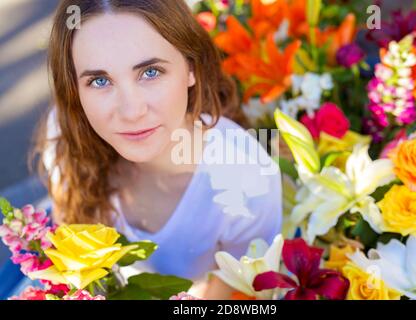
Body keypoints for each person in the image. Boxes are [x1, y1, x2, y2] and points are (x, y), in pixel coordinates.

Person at [33, 0, 282, 299]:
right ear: (75, 89)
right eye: (99, 80)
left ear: (191, 67)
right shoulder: (65, 133)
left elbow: (234, 294)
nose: (131, 111)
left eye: (150, 72)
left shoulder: (247, 178)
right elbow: (71, 251)